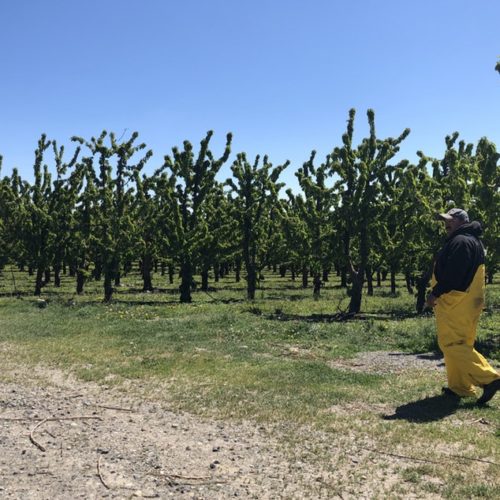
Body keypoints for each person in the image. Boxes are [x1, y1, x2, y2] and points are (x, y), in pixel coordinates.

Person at [426, 208, 500, 405]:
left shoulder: (461, 241)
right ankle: (460, 388)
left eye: (450, 220)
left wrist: (436, 292)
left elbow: (454, 273)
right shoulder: (471, 240)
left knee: (450, 344)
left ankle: (489, 378)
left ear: (461, 221)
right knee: (460, 344)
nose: (446, 224)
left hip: (456, 300)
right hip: (467, 300)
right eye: (444, 221)